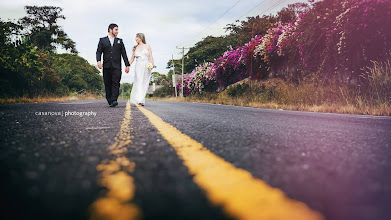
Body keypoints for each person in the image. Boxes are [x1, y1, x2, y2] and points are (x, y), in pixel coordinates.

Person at [96, 23, 130, 107]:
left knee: (116, 83)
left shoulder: (120, 41)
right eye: (116, 29)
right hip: (106, 66)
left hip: (117, 66)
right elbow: (99, 51)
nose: (117, 31)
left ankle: (114, 99)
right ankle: (109, 100)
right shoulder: (102, 40)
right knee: (107, 83)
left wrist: (127, 65)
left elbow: (124, 53)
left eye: (117, 30)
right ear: (110, 30)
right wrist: (98, 61)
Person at [127, 33, 155, 106]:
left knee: (145, 82)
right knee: (139, 81)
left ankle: (142, 99)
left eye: (137, 37)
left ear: (141, 38)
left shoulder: (147, 46)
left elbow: (151, 56)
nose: (136, 39)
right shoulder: (135, 48)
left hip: (146, 65)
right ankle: (139, 100)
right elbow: (132, 58)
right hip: (138, 65)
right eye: (135, 37)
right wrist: (128, 65)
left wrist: (152, 64)